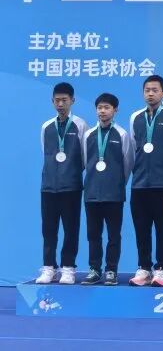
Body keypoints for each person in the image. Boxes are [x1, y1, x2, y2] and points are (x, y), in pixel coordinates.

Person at [128, 75, 163, 287]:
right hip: (140, 183)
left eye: (155, 90)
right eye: (147, 90)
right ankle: (144, 268)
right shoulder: (135, 117)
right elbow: (133, 148)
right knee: (141, 229)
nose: (150, 94)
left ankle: (161, 269)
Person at [36, 82, 88, 285]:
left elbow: (84, 157)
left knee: (70, 228)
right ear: (52, 101)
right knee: (48, 230)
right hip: (49, 186)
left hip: (71, 186)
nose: (60, 104)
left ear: (72, 101)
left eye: (64, 100)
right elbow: (46, 152)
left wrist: (70, 173)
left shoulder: (80, 125)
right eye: (57, 100)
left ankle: (68, 268)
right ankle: (49, 267)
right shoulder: (46, 127)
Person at [80, 93, 134, 286]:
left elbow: (127, 164)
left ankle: (111, 270)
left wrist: (117, 183)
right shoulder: (88, 135)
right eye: (100, 107)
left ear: (115, 110)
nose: (102, 111)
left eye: (107, 107)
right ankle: (94, 270)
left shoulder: (122, 135)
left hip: (114, 195)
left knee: (113, 235)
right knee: (93, 235)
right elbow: (86, 161)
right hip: (92, 194)